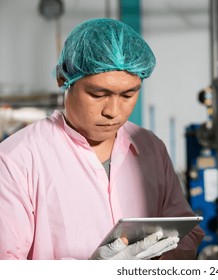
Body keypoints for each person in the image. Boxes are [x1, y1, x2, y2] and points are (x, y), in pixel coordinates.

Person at [0, 18, 204, 260]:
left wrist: (157, 257)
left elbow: (186, 230)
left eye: (128, 94)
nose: (113, 111)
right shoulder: (17, 159)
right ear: (63, 79)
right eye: (98, 94)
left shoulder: (150, 147)